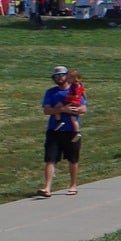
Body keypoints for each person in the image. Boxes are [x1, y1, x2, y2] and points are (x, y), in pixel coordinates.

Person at [38, 65, 85, 197]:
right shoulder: (51, 92)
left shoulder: (75, 90)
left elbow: (83, 108)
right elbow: (47, 110)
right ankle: (47, 188)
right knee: (50, 159)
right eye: (56, 76)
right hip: (54, 130)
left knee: (73, 159)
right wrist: (62, 110)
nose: (59, 78)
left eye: (61, 75)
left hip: (71, 131)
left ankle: (73, 185)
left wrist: (76, 110)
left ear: (67, 76)